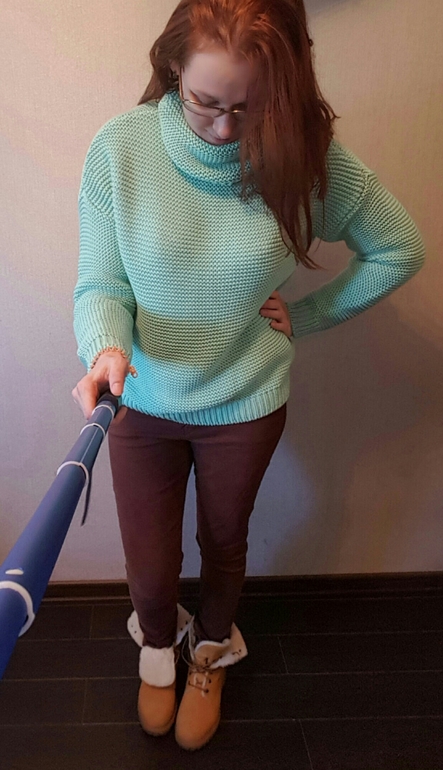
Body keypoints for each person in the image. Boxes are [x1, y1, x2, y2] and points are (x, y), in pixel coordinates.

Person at [72, 0, 425, 751]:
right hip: (143, 397)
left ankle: (209, 656)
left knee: (224, 541)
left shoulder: (304, 155)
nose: (226, 128)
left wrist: (309, 315)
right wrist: (105, 347)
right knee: (149, 564)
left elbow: (399, 247)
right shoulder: (121, 148)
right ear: (173, 66)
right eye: (206, 102)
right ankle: (157, 650)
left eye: (249, 106)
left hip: (245, 402)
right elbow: (101, 282)